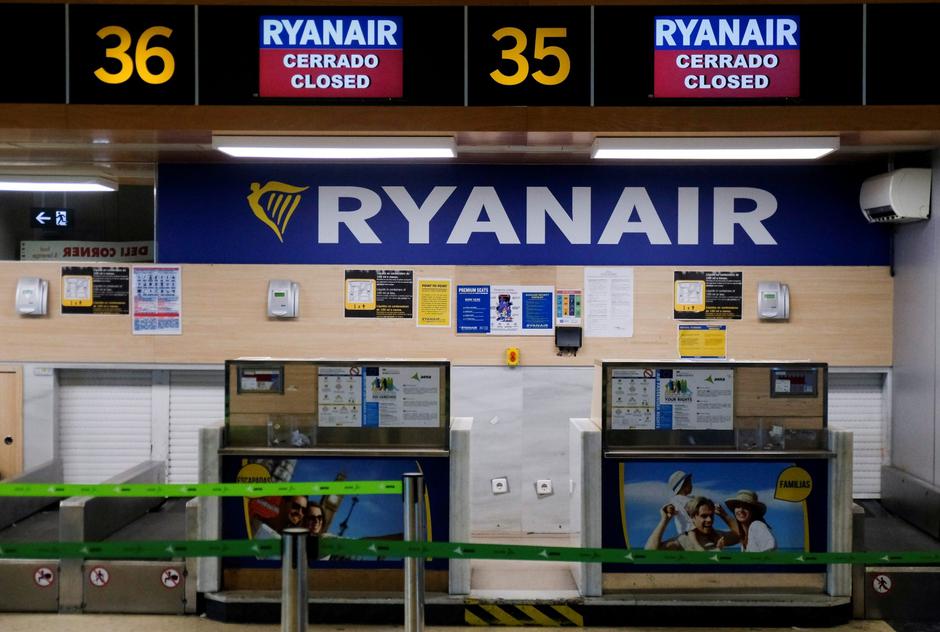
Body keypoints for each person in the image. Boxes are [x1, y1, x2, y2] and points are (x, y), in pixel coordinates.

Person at [645, 496, 739, 551]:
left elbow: (740, 535)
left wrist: (724, 515)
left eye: (711, 515)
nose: (709, 520)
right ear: (692, 517)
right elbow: (650, 551)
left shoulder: (717, 535)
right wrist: (664, 520)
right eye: (704, 516)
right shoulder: (683, 540)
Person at [666, 470, 694, 535]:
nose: (691, 485)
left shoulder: (692, 498)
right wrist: (669, 509)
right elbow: (669, 507)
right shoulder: (675, 499)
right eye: (690, 483)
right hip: (687, 532)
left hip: (697, 529)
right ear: (683, 485)